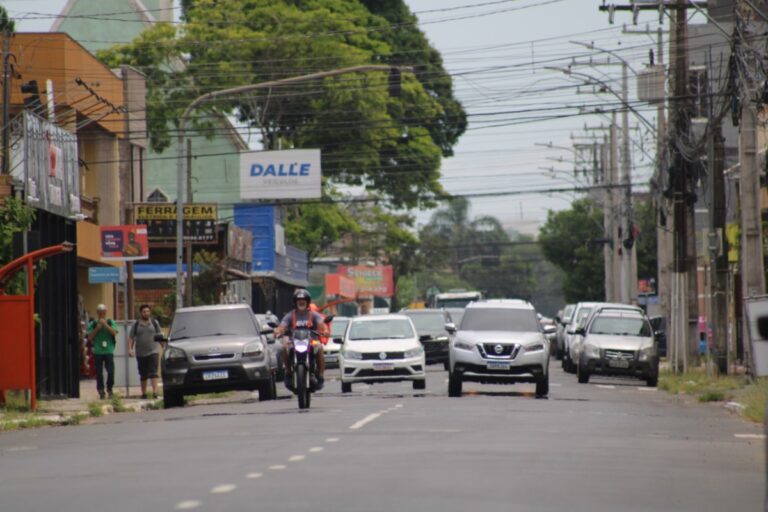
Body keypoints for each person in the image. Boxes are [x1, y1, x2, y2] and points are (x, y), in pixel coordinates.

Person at [275, 289, 328, 391]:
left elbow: (322, 324)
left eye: (304, 300)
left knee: (320, 347)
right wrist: (278, 331)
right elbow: (282, 325)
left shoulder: (313, 314)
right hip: (294, 341)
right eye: (299, 300)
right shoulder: (290, 315)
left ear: (307, 302)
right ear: (295, 302)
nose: (301, 302)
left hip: (312, 341)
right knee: (283, 347)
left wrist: (325, 330)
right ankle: (288, 372)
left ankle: (320, 375)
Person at [128, 304, 162, 399]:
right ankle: (144, 393)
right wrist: (130, 349)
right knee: (143, 374)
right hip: (141, 353)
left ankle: (155, 393)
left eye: (148, 311)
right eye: (144, 312)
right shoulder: (136, 324)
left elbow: (159, 336)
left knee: (154, 373)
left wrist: (164, 346)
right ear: (141, 313)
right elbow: (131, 338)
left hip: (153, 351)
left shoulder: (154, 323)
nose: (146, 313)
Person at [86, 304, 118, 399]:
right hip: (98, 351)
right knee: (99, 373)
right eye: (100, 313)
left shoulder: (110, 322)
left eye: (103, 313)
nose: (102, 315)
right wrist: (98, 328)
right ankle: (101, 390)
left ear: (106, 313)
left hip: (109, 350)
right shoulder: (93, 323)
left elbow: (114, 333)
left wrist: (105, 325)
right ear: (97, 313)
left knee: (111, 371)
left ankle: (109, 388)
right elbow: (90, 337)